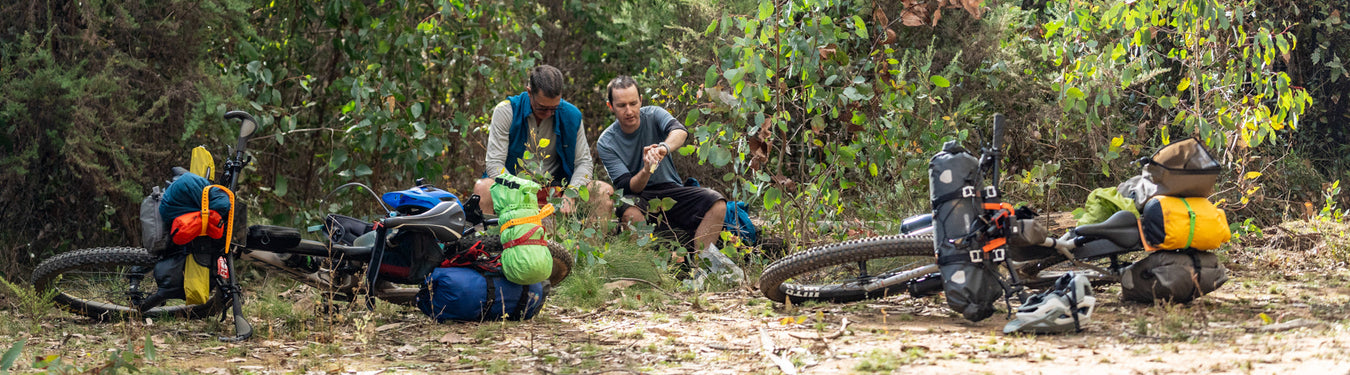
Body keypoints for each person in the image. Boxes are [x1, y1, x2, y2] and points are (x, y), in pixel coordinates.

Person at [596, 76, 726, 251]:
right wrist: (646, 170)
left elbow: (680, 131)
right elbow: (627, 187)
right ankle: (647, 270)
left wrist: (663, 148)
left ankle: (701, 266)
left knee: (716, 202)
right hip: (639, 196)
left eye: (633, 103)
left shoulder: (653, 114)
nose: (629, 111)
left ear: (641, 101)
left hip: (671, 189)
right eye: (621, 105)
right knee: (629, 211)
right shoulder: (606, 141)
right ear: (610, 106)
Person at [473, 65, 613, 220]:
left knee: (602, 191)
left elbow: (584, 163)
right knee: (483, 188)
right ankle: (488, 241)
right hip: (513, 188)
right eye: (542, 108)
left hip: (556, 189)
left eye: (554, 108)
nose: (548, 114)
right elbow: (494, 164)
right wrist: (521, 189)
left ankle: (591, 244)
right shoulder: (506, 110)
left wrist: (571, 193)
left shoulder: (572, 115)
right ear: (529, 93)